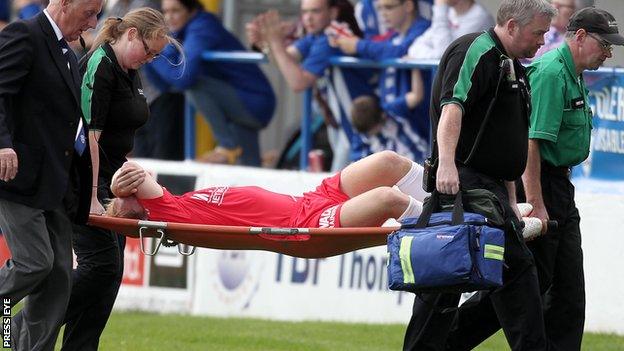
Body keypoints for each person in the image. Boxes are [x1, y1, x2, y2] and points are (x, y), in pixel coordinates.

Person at [401, 1, 556, 350]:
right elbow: (452, 107)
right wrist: (447, 165)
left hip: (489, 191)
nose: (542, 41)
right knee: (503, 276)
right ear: (513, 26)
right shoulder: (475, 50)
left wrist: (512, 201)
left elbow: (505, 142)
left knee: (453, 282)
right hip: (463, 186)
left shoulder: (512, 66)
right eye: (538, 33)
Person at [60, 8, 173, 350]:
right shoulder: (101, 64)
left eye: (156, 55)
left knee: (110, 275)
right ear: (131, 35)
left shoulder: (129, 69)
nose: (150, 59)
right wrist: (92, 195)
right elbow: (90, 136)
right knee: (101, 266)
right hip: (81, 180)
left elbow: (117, 134)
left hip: (112, 181)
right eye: (148, 50)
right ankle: (28, 320)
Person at [0, 0, 102, 349]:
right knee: (34, 264)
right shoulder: (24, 34)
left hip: (55, 185)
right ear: (64, 2)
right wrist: (1, 144)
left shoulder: (68, 53)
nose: (93, 22)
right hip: (18, 179)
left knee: (59, 282)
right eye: (89, 12)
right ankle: (8, 330)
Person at [520, 8, 623, 350]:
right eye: (604, 44)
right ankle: (451, 339)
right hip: (543, 185)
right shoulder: (552, 73)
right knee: (533, 285)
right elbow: (532, 143)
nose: (609, 53)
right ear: (579, 37)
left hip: (559, 185)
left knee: (567, 290)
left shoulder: (574, 73)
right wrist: (535, 204)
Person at [107, 150, 429, 229]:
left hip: (311, 199)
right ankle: (446, 225)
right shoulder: (168, 212)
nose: (122, 196)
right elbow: (131, 170)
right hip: (305, 226)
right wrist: (115, 185)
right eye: (120, 201)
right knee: (389, 199)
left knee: (387, 162)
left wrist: (119, 190)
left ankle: (449, 202)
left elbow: (135, 175)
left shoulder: (175, 201)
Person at [145, 0, 276, 166]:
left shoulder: (203, 26)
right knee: (250, 170)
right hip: (237, 102)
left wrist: (153, 56)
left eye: (175, 11)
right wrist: (156, 55)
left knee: (194, 85)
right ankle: (238, 150)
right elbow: (166, 86)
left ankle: (227, 145)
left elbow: (184, 78)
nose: (169, 17)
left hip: (252, 100)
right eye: (166, 12)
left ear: (191, 11)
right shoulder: (179, 32)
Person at [250, 0, 376, 171]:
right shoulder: (315, 36)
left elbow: (298, 82)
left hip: (361, 128)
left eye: (315, 11)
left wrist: (275, 43)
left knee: (342, 188)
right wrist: (266, 43)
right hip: (343, 126)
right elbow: (287, 58)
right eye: (305, 12)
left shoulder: (331, 37)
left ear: (332, 13)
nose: (308, 18)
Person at [333, 0, 432, 163]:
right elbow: (379, 50)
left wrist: (358, 46)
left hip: (419, 130)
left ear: (408, 5)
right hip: (391, 122)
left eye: (389, 7)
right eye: (380, 8)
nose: (383, 14)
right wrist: (343, 43)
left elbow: (401, 51)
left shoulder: (424, 30)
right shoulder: (393, 36)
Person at [407, 0, 494, 60]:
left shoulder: (479, 17)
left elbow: (445, 55)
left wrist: (440, 8)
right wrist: (434, 55)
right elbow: (414, 48)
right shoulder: (450, 13)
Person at [351, 95, 428, 161]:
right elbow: (357, 161)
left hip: (420, 158)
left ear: (382, 115)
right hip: (395, 173)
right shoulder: (361, 135)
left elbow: (416, 97)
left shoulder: (392, 110)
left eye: (371, 130)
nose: (369, 133)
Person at [525, 0, 595, 62]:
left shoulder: (580, 40)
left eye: (560, 6)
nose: (553, 8)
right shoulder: (541, 32)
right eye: (552, 3)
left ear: (577, 11)